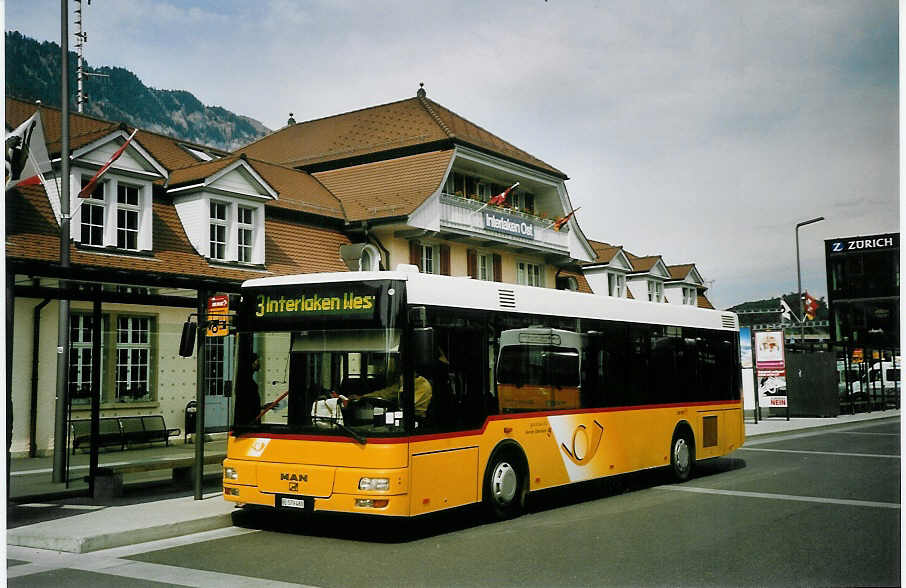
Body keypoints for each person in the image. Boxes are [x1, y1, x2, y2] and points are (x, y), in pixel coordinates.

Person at [235, 352, 261, 425]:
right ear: (251, 363)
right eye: (257, 360)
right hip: (249, 421)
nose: (258, 362)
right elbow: (246, 404)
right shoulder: (246, 381)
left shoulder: (246, 379)